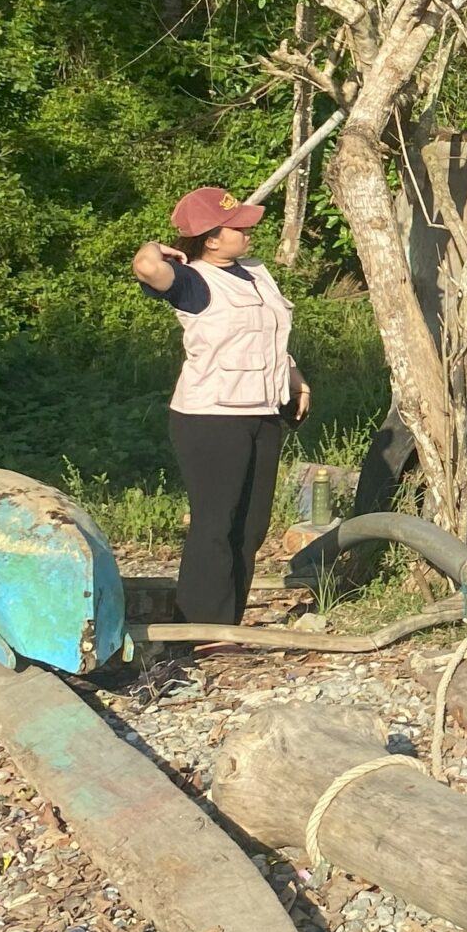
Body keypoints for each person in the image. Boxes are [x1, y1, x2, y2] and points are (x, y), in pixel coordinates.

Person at [130, 186, 308, 627]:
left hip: (263, 411)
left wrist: (295, 378)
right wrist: (155, 246)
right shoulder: (191, 281)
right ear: (210, 238)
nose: (250, 230)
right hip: (211, 416)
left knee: (251, 526)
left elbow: (266, 336)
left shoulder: (255, 272)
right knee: (214, 524)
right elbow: (145, 265)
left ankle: (227, 621)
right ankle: (199, 627)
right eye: (238, 226)